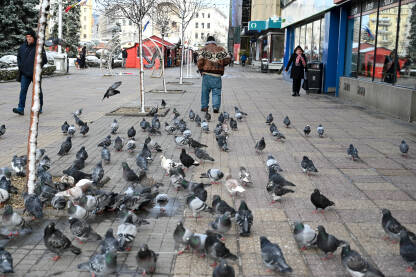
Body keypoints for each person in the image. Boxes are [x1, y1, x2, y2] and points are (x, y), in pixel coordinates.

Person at [13, 29, 47, 116]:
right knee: (23, 90)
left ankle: (39, 107)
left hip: (35, 74)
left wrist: (38, 68)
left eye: (30, 37)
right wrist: (20, 66)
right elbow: (19, 57)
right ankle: (20, 108)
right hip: (25, 73)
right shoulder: (23, 47)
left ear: (33, 37)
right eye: (27, 37)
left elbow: (44, 59)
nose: (28, 38)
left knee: (37, 91)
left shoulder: (38, 47)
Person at [197, 36, 231, 113]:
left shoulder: (203, 49)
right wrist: (222, 64)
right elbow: (228, 59)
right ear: (214, 42)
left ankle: (204, 107)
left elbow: (199, 61)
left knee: (205, 92)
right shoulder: (221, 49)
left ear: (207, 42)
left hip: (206, 74)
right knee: (216, 92)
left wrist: (201, 70)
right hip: (217, 75)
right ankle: (216, 107)